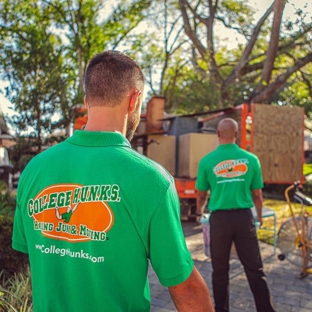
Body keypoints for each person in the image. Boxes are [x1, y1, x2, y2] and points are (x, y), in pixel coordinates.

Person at [12, 51, 214, 312]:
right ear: (134, 100)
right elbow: (184, 287)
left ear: (87, 101)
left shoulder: (34, 170)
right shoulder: (152, 180)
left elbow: (36, 252)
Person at [195, 118, 276, 312]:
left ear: (218, 135)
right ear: (237, 134)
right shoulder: (251, 159)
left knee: (220, 271)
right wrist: (259, 215)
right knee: (255, 268)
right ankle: (265, 309)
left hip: (220, 221)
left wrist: (199, 212)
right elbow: (257, 194)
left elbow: (201, 194)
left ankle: (222, 310)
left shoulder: (206, 161)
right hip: (243, 219)